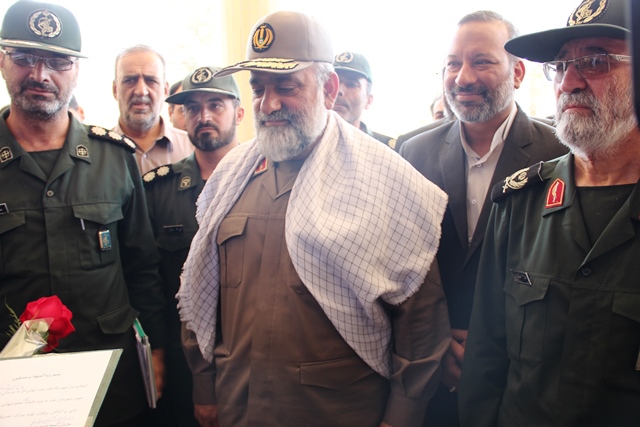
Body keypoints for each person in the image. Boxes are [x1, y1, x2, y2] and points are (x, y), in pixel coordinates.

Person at [178, 10, 451, 427]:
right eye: (258, 88)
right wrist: (204, 385)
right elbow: (201, 289)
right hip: (238, 406)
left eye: (287, 87)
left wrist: (402, 416)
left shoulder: (385, 178)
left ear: (329, 88)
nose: (269, 104)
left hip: (338, 413)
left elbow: (421, 320)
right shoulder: (231, 176)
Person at [460, 0, 640, 425]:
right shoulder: (519, 201)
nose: (568, 83)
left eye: (594, 61)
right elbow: (486, 356)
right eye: (560, 66)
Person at [0, 1, 166, 426]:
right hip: (14, 382)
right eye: (25, 57)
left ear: (76, 71)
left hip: (111, 375)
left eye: (58, 62)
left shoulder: (114, 157)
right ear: (2, 60)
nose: (41, 74)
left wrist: (157, 350)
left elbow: (142, 267)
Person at [399, 10, 568, 427]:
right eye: (452, 64)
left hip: (521, 376)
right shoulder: (412, 152)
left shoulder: (560, 153)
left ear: (518, 73)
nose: (463, 77)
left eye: (482, 61)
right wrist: (437, 341)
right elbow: (403, 265)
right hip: (433, 373)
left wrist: (492, 348)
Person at [143, 66, 244, 427]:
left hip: (251, 360)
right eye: (193, 107)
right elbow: (148, 281)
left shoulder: (264, 179)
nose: (204, 116)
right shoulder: (158, 190)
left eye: (215, 105)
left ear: (239, 113)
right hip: (182, 362)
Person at [112, 45, 193, 173]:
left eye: (151, 81)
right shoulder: (96, 153)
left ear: (165, 90)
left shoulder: (193, 150)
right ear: (115, 90)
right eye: (130, 80)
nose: (141, 91)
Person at [332, 51, 396, 149]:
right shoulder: (308, 146)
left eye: (351, 84)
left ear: (368, 100)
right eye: (332, 83)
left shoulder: (386, 150)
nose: (338, 91)